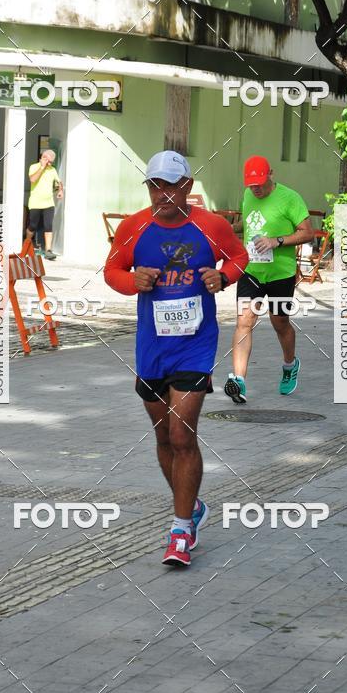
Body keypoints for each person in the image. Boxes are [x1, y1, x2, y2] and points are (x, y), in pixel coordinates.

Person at [104, 151, 248, 567]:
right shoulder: (134, 228)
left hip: (195, 345)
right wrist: (133, 281)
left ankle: (181, 529)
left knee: (182, 435)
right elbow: (112, 270)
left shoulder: (211, 225)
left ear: (188, 186)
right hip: (152, 347)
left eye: (171, 185)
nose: (163, 194)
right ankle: (192, 506)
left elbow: (238, 256)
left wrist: (223, 277)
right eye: (155, 185)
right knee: (164, 436)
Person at [224, 155, 313, 404]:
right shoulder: (248, 196)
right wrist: (230, 229)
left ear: (270, 174)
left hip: (280, 273)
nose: (256, 189)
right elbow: (250, 223)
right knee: (244, 320)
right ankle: (239, 381)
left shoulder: (290, 198)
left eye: (260, 184)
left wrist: (277, 241)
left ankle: (289, 365)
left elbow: (308, 233)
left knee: (279, 322)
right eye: (251, 185)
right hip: (251, 270)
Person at [26, 149, 63, 260]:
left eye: (52, 162)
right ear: (43, 158)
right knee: (32, 226)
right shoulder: (33, 167)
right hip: (35, 203)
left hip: (49, 203)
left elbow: (59, 181)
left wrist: (61, 190)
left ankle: (48, 251)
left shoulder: (52, 170)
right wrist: (42, 167)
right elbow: (32, 179)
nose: (50, 164)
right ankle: (27, 245)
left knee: (48, 226)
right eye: (49, 161)